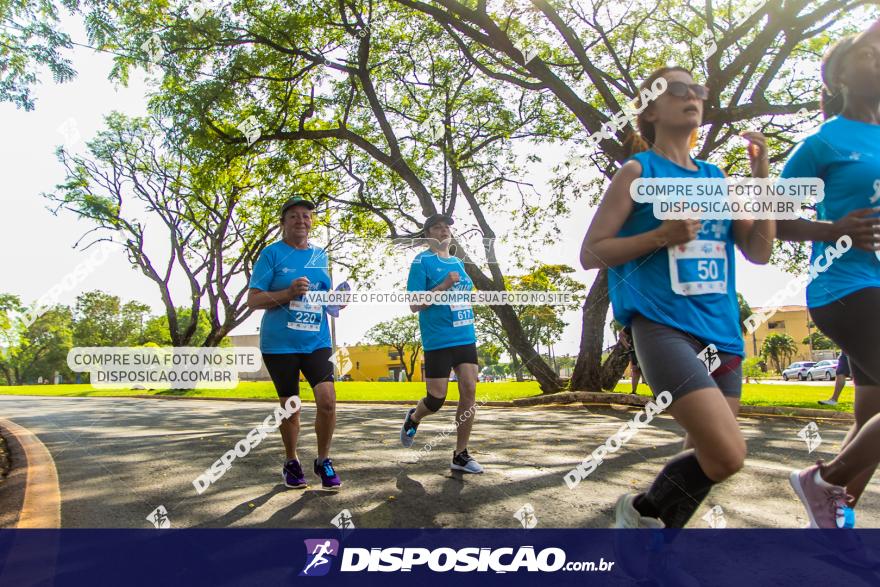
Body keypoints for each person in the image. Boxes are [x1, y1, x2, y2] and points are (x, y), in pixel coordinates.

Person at [580, 66, 774, 528]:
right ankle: (639, 513)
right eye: (679, 89)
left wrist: (762, 177)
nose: (693, 96)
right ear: (650, 109)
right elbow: (591, 253)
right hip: (663, 326)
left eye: (698, 90)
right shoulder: (637, 171)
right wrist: (660, 235)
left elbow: (760, 251)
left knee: (704, 455)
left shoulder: (717, 178)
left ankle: (653, 550)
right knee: (727, 455)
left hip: (722, 333)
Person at [778, 20, 880, 527]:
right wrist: (833, 228)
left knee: (870, 423)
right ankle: (824, 480)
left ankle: (835, 523)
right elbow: (773, 219)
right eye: (867, 55)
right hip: (845, 288)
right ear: (838, 77)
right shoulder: (824, 143)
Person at [247, 196, 343, 490]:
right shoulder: (271, 255)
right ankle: (291, 460)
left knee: (327, 402)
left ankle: (323, 460)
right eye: (294, 216)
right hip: (280, 344)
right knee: (291, 407)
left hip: (317, 340)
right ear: (283, 223)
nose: (301, 220)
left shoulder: (320, 256)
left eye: (306, 216)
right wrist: (288, 293)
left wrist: (336, 302)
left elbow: (324, 299)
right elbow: (253, 300)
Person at [399, 214, 483, 473]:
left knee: (469, 389)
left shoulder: (458, 262)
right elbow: (415, 304)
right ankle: (414, 417)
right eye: (437, 226)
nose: (444, 230)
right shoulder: (421, 261)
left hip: (464, 336)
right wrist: (444, 285)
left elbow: (464, 295)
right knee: (436, 400)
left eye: (447, 226)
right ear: (428, 235)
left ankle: (460, 454)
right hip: (438, 339)